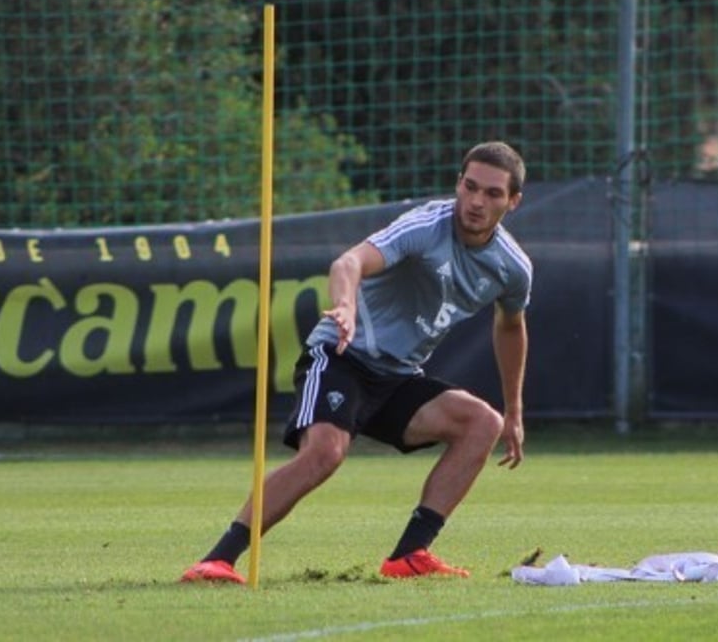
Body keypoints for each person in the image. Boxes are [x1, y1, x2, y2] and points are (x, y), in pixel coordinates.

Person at [181, 141, 532, 584]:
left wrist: (514, 411)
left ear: (513, 201)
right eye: (470, 186)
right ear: (458, 184)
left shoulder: (513, 267)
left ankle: (410, 555)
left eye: (493, 194)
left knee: (483, 423)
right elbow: (349, 262)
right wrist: (345, 307)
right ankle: (217, 559)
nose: (477, 201)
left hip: (399, 376)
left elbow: (510, 326)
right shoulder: (427, 225)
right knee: (325, 453)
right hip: (341, 356)